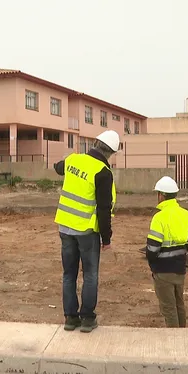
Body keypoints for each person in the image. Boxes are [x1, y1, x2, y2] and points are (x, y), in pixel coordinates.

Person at [53, 129, 120, 333]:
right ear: (111, 153)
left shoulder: (74, 160)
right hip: (87, 231)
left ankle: (70, 318)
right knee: (90, 275)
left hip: (65, 227)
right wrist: (106, 239)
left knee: (69, 274)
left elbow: (58, 168)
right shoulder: (103, 172)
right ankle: (88, 319)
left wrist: (70, 162)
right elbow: (103, 209)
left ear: (95, 144)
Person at [146, 176, 188, 328]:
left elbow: (152, 249)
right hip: (180, 269)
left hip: (162, 270)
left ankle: (174, 341)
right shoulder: (186, 215)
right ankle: (182, 335)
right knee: (179, 304)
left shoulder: (159, 218)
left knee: (168, 308)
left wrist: (153, 264)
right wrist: (180, 252)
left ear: (161, 195)